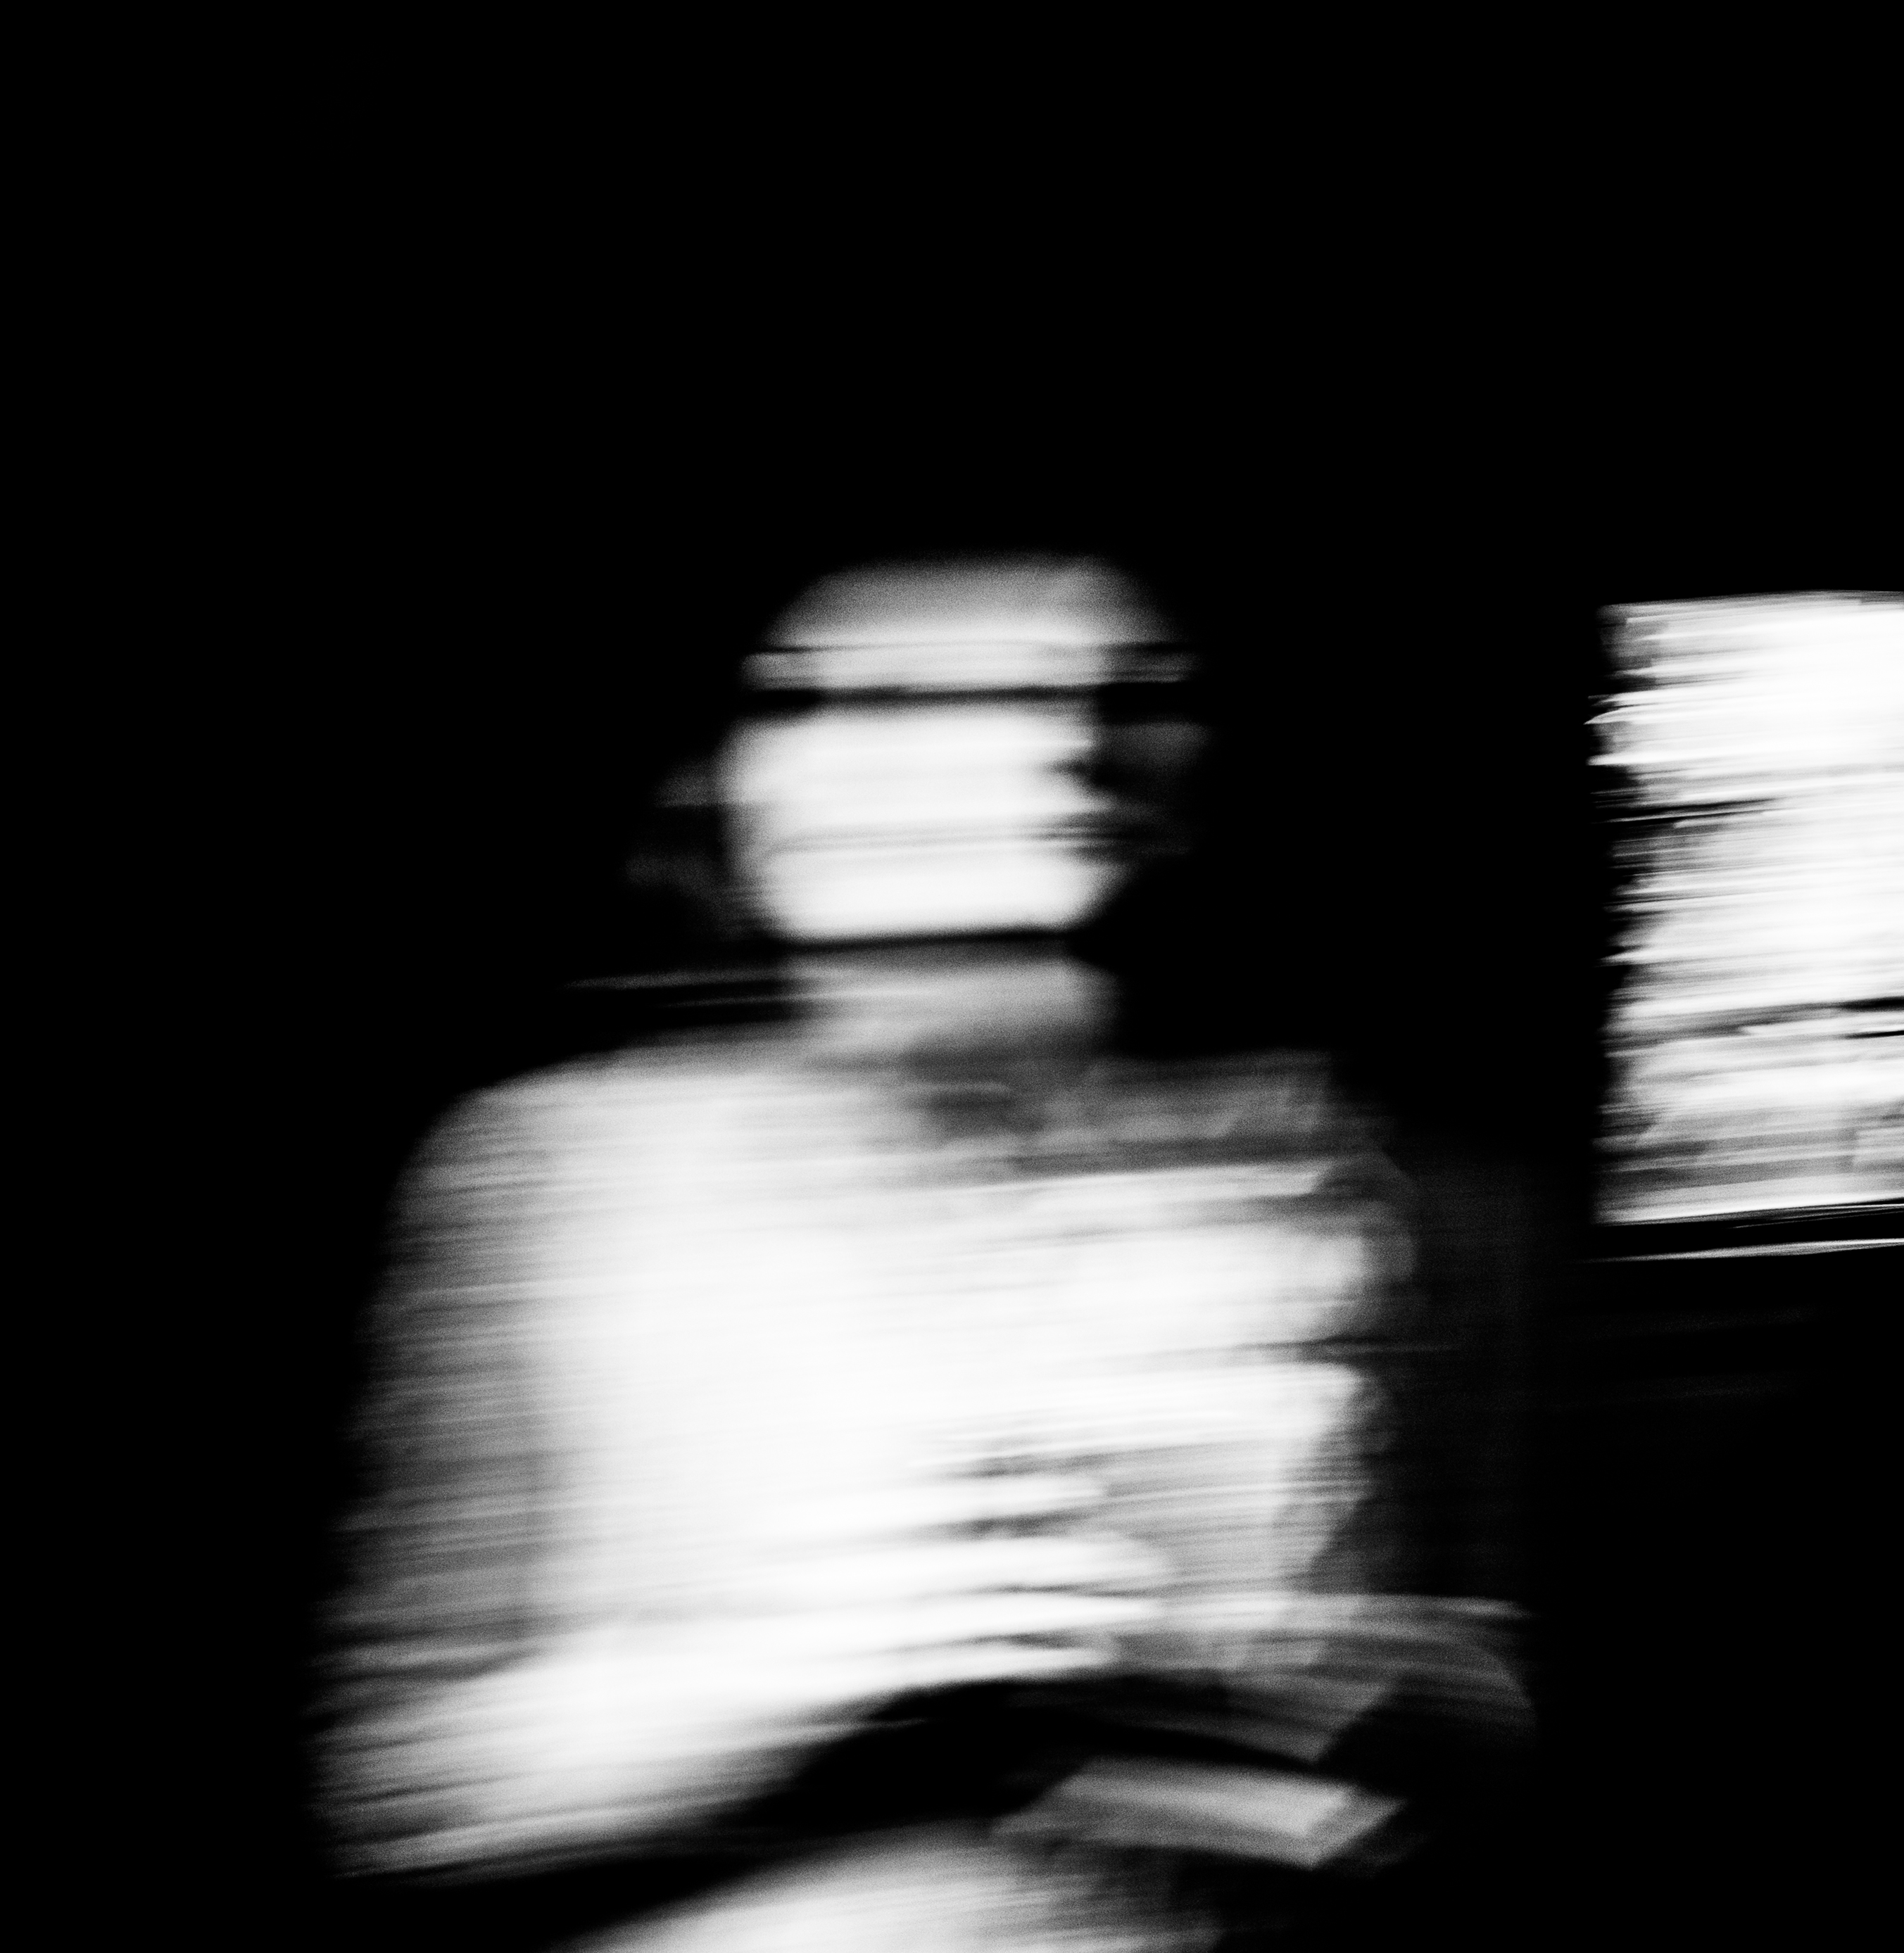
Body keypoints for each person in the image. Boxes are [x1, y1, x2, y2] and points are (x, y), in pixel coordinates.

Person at [320, 555, 1523, 1952]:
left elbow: (1473, 1706)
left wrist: (1368, 1681)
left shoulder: (1313, 1170)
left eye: (1112, 699)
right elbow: (408, 1782)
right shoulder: (573, 1171)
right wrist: (813, 1655)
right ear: (758, 788)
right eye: (902, 700)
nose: (1050, 748)